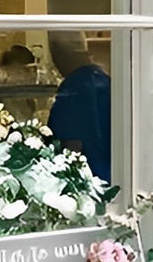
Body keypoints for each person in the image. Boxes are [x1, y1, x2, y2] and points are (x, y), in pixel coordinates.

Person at [47, 34, 112, 182]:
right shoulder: (104, 80)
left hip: (90, 179)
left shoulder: (74, 87)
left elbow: (69, 144)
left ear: (60, 56)